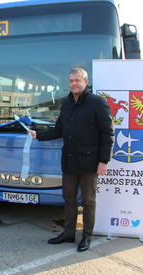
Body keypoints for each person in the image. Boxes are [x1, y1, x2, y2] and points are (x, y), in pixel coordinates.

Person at [28, 68, 114, 252]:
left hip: (90, 163)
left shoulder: (98, 103)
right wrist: (37, 135)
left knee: (89, 201)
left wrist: (104, 160)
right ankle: (68, 233)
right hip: (69, 161)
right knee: (69, 199)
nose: (74, 84)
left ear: (85, 81)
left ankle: (87, 236)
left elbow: (108, 133)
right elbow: (58, 131)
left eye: (77, 80)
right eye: (71, 81)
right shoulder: (66, 104)